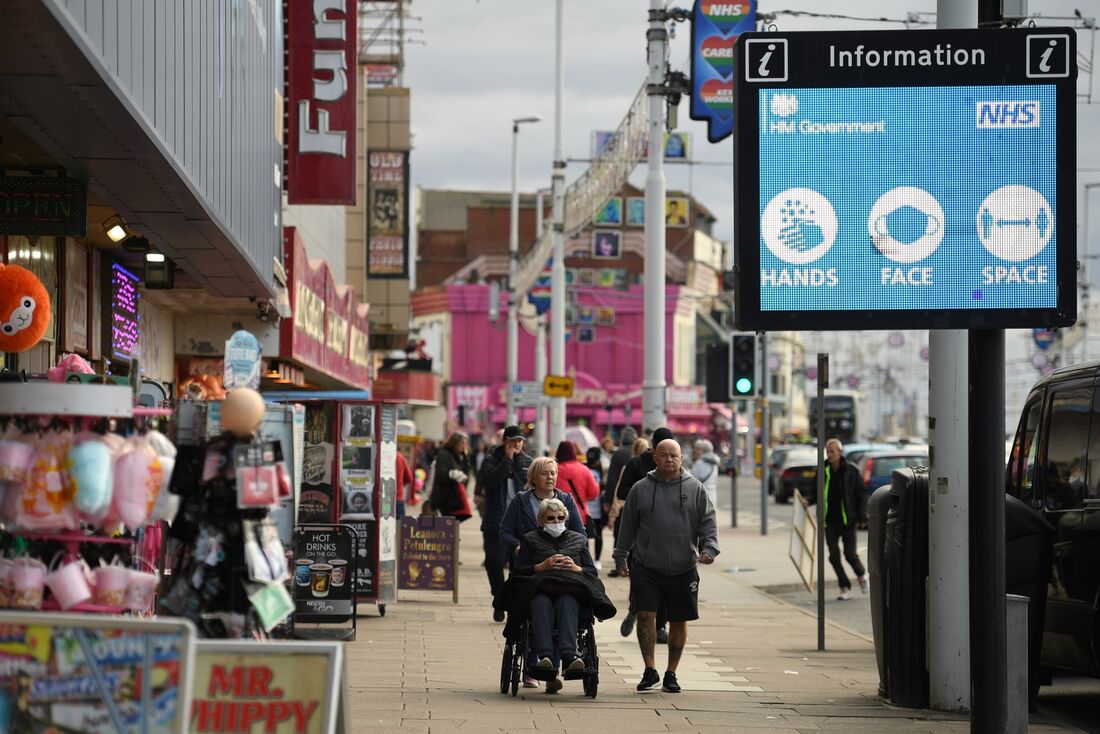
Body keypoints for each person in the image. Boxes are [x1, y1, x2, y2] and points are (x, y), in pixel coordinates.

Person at [613, 438, 720, 694]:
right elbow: (626, 527)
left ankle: (671, 673)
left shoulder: (695, 488)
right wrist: (620, 556)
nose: (669, 459)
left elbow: (708, 522)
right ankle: (649, 670)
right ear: (655, 458)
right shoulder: (640, 489)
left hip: (683, 567)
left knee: (678, 620)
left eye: (674, 455)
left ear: (682, 458)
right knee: (645, 615)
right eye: (664, 455)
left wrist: (709, 549)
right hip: (646, 565)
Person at [476, 425, 533, 621]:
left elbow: (527, 486)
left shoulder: (527, 461)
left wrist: (515, 462)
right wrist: (507, 460)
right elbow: (490, 481)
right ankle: (499, 598)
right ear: (505, 441)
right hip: (495, 521)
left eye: (520, 441)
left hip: (520, 524)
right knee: (494, 562)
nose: (517, 444)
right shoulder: (491, 460)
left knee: (518, 567)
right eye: (513, 441)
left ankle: (512, 602)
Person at [807, 438, 869, 600]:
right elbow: (816, 492)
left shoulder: (851, 470)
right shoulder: (822, 470)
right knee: (833, 556)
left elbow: (861, 495)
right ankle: (844, 586)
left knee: (850, 554)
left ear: (840, 452)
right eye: (828, 451)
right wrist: (808, 501)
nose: (830, 454)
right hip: (829, 521)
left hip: (848, 520)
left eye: (832, 451)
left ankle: (862, 576)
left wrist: (863, 516)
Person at [499, 457, 586, 556]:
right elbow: (505, 532)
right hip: (529, 562)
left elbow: (580, 534)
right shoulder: (520, 500)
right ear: (533, 478)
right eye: (544, 474)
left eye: (553, 473)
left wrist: (567, 553)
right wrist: (518, 547)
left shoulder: (567, 500)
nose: (550, 477)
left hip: (562, 562)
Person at [602, 427, 637, 576]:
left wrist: (608, 500)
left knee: (620, 531)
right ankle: (632, 563)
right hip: (638, 499)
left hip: (622, 498)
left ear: (622, 440)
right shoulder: (640, 453)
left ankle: (620, 565)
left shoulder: (618, 454)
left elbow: (612, 479)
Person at [554, 441, 600, 537]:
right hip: (580, 514)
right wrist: (583, 497)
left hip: (556, 515)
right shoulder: (584, 469)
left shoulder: (554, 470)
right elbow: (595, 491)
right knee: (581, 545)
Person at [428, 432, 473, 521]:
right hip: (445, 499)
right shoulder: (443, 454)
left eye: (465, 444)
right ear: (455, 443)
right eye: (462, 443)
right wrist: (452, 475)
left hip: (455, 499)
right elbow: (440, 475)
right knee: (447, 526)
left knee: (452, 526)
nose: (464, 446)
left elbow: (465, 475)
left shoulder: (458, 456)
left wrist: (466, 457)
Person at [584, 447, 608, 568]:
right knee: (585, 535)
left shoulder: (602, 470)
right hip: (586, 508)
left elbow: (605, 487)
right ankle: (588, 559)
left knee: (598, 534)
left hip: (598, 507)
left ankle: (597, 559)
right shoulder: (583, 468)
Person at [690, 439, 721, 511]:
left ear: (703, 451)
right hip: (712, 494)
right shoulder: (714, 462)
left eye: (698, 449)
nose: (695, 451)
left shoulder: (700, 463)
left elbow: (692, 481)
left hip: (701, 495)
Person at [395, 449, 415, 518]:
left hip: (381, 500)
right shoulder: (400, 457)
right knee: (399, 526)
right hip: (398, 498)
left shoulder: (381, 456)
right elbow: (409, 478)